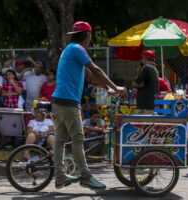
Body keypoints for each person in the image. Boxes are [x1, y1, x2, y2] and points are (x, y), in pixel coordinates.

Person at [52, 21, 126, 190]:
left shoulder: (69, 50)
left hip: (59, 101)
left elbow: (89, 73)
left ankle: (60, 175)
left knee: (60, 139)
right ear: (87, 36)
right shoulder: (78, 49)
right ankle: (86, 176)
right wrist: (116, 87)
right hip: (69, 102)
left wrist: (107, 87)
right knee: (78, 139)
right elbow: (97, 70)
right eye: (90, 36)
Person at [132, 50, 159, 115]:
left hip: (143, 107)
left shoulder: (146, 67)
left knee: (140, 124)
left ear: (144, 59)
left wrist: (138, 85)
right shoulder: (155, 69)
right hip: (151, 105)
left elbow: (134, 84)